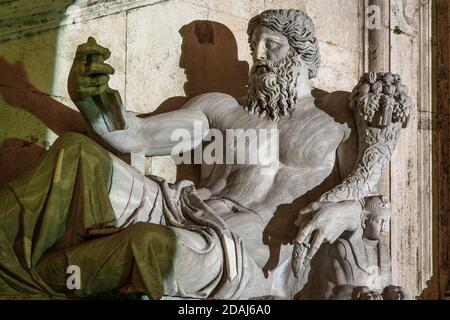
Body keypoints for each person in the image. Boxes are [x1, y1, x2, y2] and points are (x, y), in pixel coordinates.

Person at [0, 9, 407, 300]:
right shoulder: (222, 108)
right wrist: (95, 102)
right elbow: (139, 136)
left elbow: (366, 195)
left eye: (272, 44)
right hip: (181, 206)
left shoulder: (339, 119)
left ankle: (33, 280)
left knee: (154, 246)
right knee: (77, 154)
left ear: (301, 53)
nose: (259, 55)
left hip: (245, 252)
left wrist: (351, 211)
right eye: (255, 45)